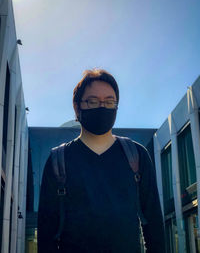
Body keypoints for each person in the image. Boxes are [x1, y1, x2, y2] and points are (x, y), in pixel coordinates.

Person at [38, 69, 166, 253]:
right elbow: (46, 235)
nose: (102, 107)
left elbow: (154, 228)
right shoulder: (58, 160)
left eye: (109, 101)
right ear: (77, 107)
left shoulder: (137, 155)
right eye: (93, 101)